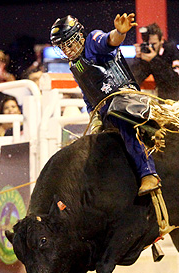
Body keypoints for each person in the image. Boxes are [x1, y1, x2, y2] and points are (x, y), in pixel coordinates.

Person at [50, 13, 163, 195]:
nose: (67, 49)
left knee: (121, 119)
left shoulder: (92, 41)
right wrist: (94, 118)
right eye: (62, 47)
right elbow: (88, 95)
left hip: (125, 99)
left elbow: (109, 40)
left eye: (69, 43)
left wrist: (119, 32)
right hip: (104, 110)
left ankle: (148, 172)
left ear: (79, 36)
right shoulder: (74, 65)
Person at [131, 23, 179, 101]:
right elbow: (134, 79)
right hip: (164, 101)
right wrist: (139, 60)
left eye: (153, 44)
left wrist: (154, 60)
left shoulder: (172, 51)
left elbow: (175, 82)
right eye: (148, 44)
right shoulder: (148, 54)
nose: (151, 47)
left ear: (161, 40)